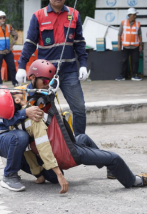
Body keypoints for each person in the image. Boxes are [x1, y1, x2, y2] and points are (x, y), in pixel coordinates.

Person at [0, 59, 147, 194]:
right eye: (44, 81)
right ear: (32, 78)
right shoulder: (18, 93)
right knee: (21, 138)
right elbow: (3, 120)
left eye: (50, 82)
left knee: (82, 139)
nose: (47, 85)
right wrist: (24, 112)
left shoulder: (46, 93)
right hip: (7, 139)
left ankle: (110, 169)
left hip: (41, 146)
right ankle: (9, 176)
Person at [15, 0, 88, 136]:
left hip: (69, 72)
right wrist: (21, 66)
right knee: (42, 110)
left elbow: (79, 43)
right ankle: (47, 144)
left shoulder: (74, 14)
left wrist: (83, 64)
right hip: (44, 75)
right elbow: (30, 43)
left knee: (79, 109)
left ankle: (80, 144)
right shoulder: (38, 16)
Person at [117, 7, 143, 81]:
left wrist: (141, 45)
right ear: (129, 15)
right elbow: (119, 34)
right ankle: (122, 76)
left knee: (135, 61)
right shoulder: (123, 23)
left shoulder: (138, 24)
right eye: (134, 15)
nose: (135, 16)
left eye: (135, 15)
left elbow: (140, 35)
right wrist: (119, 44)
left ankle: (135, 75)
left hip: (135, 46)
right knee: (124, 61)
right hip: (126, 46)